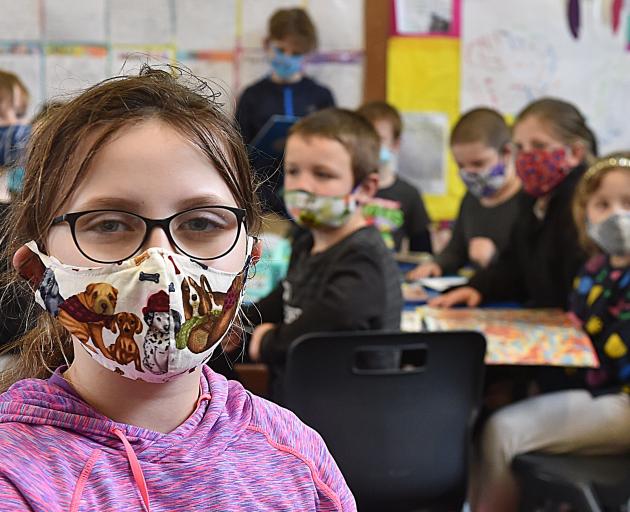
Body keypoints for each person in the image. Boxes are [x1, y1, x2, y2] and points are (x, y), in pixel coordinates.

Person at [0, 67, 355, 511]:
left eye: (202, 223)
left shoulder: (296, 458)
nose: (159, 264)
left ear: (249, 261)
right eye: (109, 223)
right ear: (38, 271)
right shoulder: (15, 477)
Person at [473, 153, 630, 512]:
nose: (617, 216)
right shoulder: (594, 270)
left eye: (629, 203)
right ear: (585, 213)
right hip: (594, 390)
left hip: (620, 398)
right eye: (602, 205)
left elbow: (600, 358)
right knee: (483, 411)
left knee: (503, 431)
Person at [247, 108, 403, 402]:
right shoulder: (306, 244)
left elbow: (325, 325)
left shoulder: (364, 259)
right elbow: (282, 298)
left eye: (322, 174)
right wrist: (235, 324)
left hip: (344, 413)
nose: (302, 185)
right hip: (300, 401)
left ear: (366, 188)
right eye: (293, 171)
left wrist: (268, 341)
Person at [430, 98, 596, 308]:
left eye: (539, 146)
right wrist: (477, 287)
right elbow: (514, 267)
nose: (526, 156)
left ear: (575, 153)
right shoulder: (533, 199)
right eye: (520, 147)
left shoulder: (584, 205)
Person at [236, 7, 335, 215]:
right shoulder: (252, 96)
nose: (287, 58)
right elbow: (238, 149)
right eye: (281, 49)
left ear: (306, 54)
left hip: (312, 200)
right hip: (263, 201)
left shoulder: (321, 96)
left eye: (296, 53)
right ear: (268, 44)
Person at [407, 108, 524, 279]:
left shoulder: (529, 201)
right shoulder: (472, 198)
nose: (470, 173)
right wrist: (437, 264)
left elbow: (533, 273)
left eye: (478, 163)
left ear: (507, 153)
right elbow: (457, 249)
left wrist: (494, 258)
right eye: (461, 165)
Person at [357, 101, 432, 253]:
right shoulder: (345, 188)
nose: (371, 145)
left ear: (396, 144)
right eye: (365, 138)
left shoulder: (409, 194)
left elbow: (422, 251)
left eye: (379, 139)